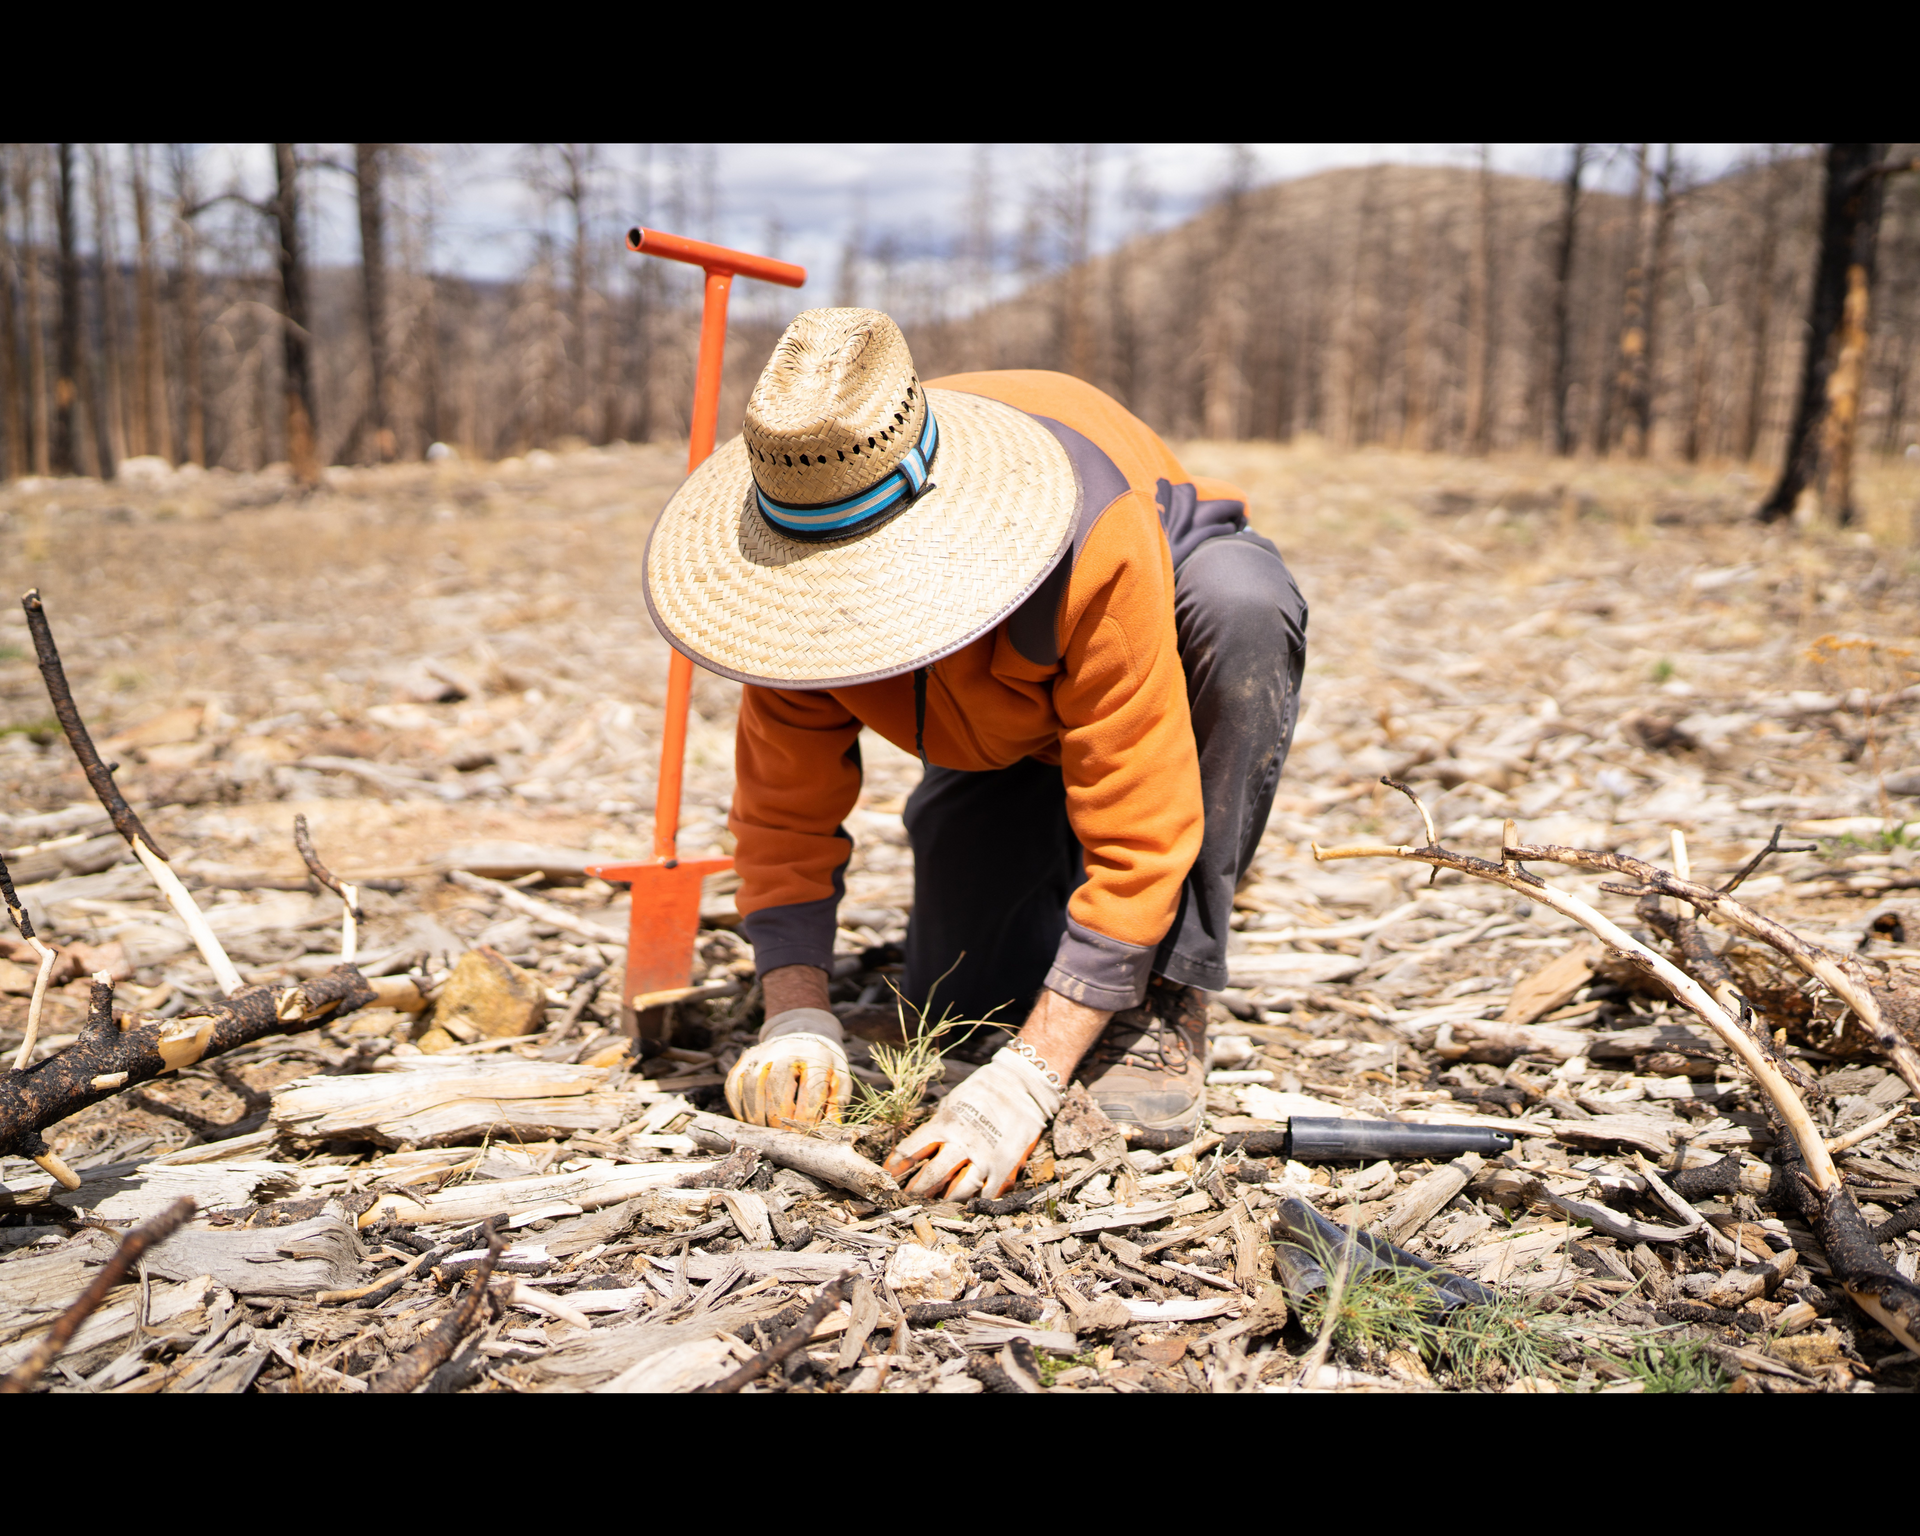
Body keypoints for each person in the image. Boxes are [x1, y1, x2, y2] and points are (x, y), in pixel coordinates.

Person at [642, 308, 1306, 1200]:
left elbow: (1143, 823)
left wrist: (1032, 1075)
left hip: (1155, 651)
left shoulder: (1090, 538)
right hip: (991, 729)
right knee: (964, 1006)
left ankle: (1172, 989)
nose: (842, 597)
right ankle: (1035, 881)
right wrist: (794, 1010)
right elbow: (782, 813)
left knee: (1243, 606)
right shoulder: (799, 554)